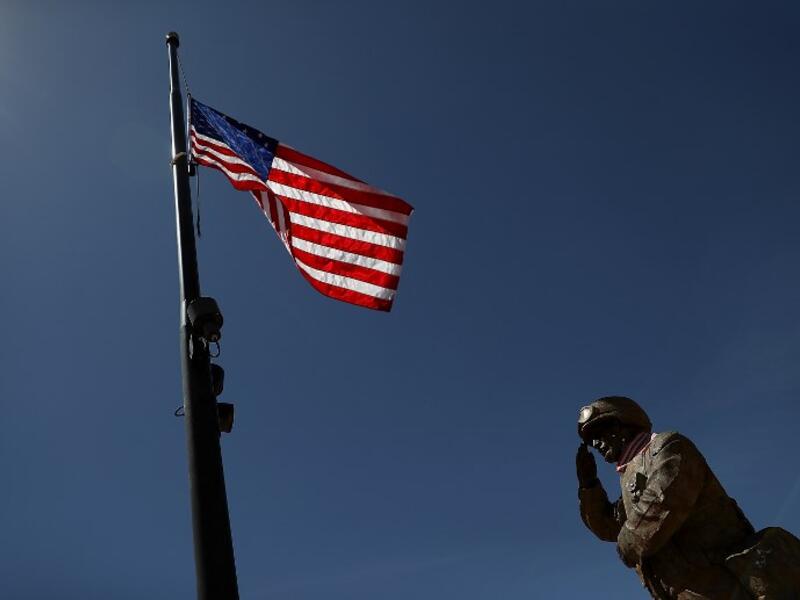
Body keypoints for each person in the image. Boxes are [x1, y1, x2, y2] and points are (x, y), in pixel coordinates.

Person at [576, 395, 800, 599]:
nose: (596, 444)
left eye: (600, 432)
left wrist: (627, 545)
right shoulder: (629, 480)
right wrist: (589, 486)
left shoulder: (667, 446)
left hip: (722, 581)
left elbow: (664, 501)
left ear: (622, 424)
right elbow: (609, 527)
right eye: (592, 439)